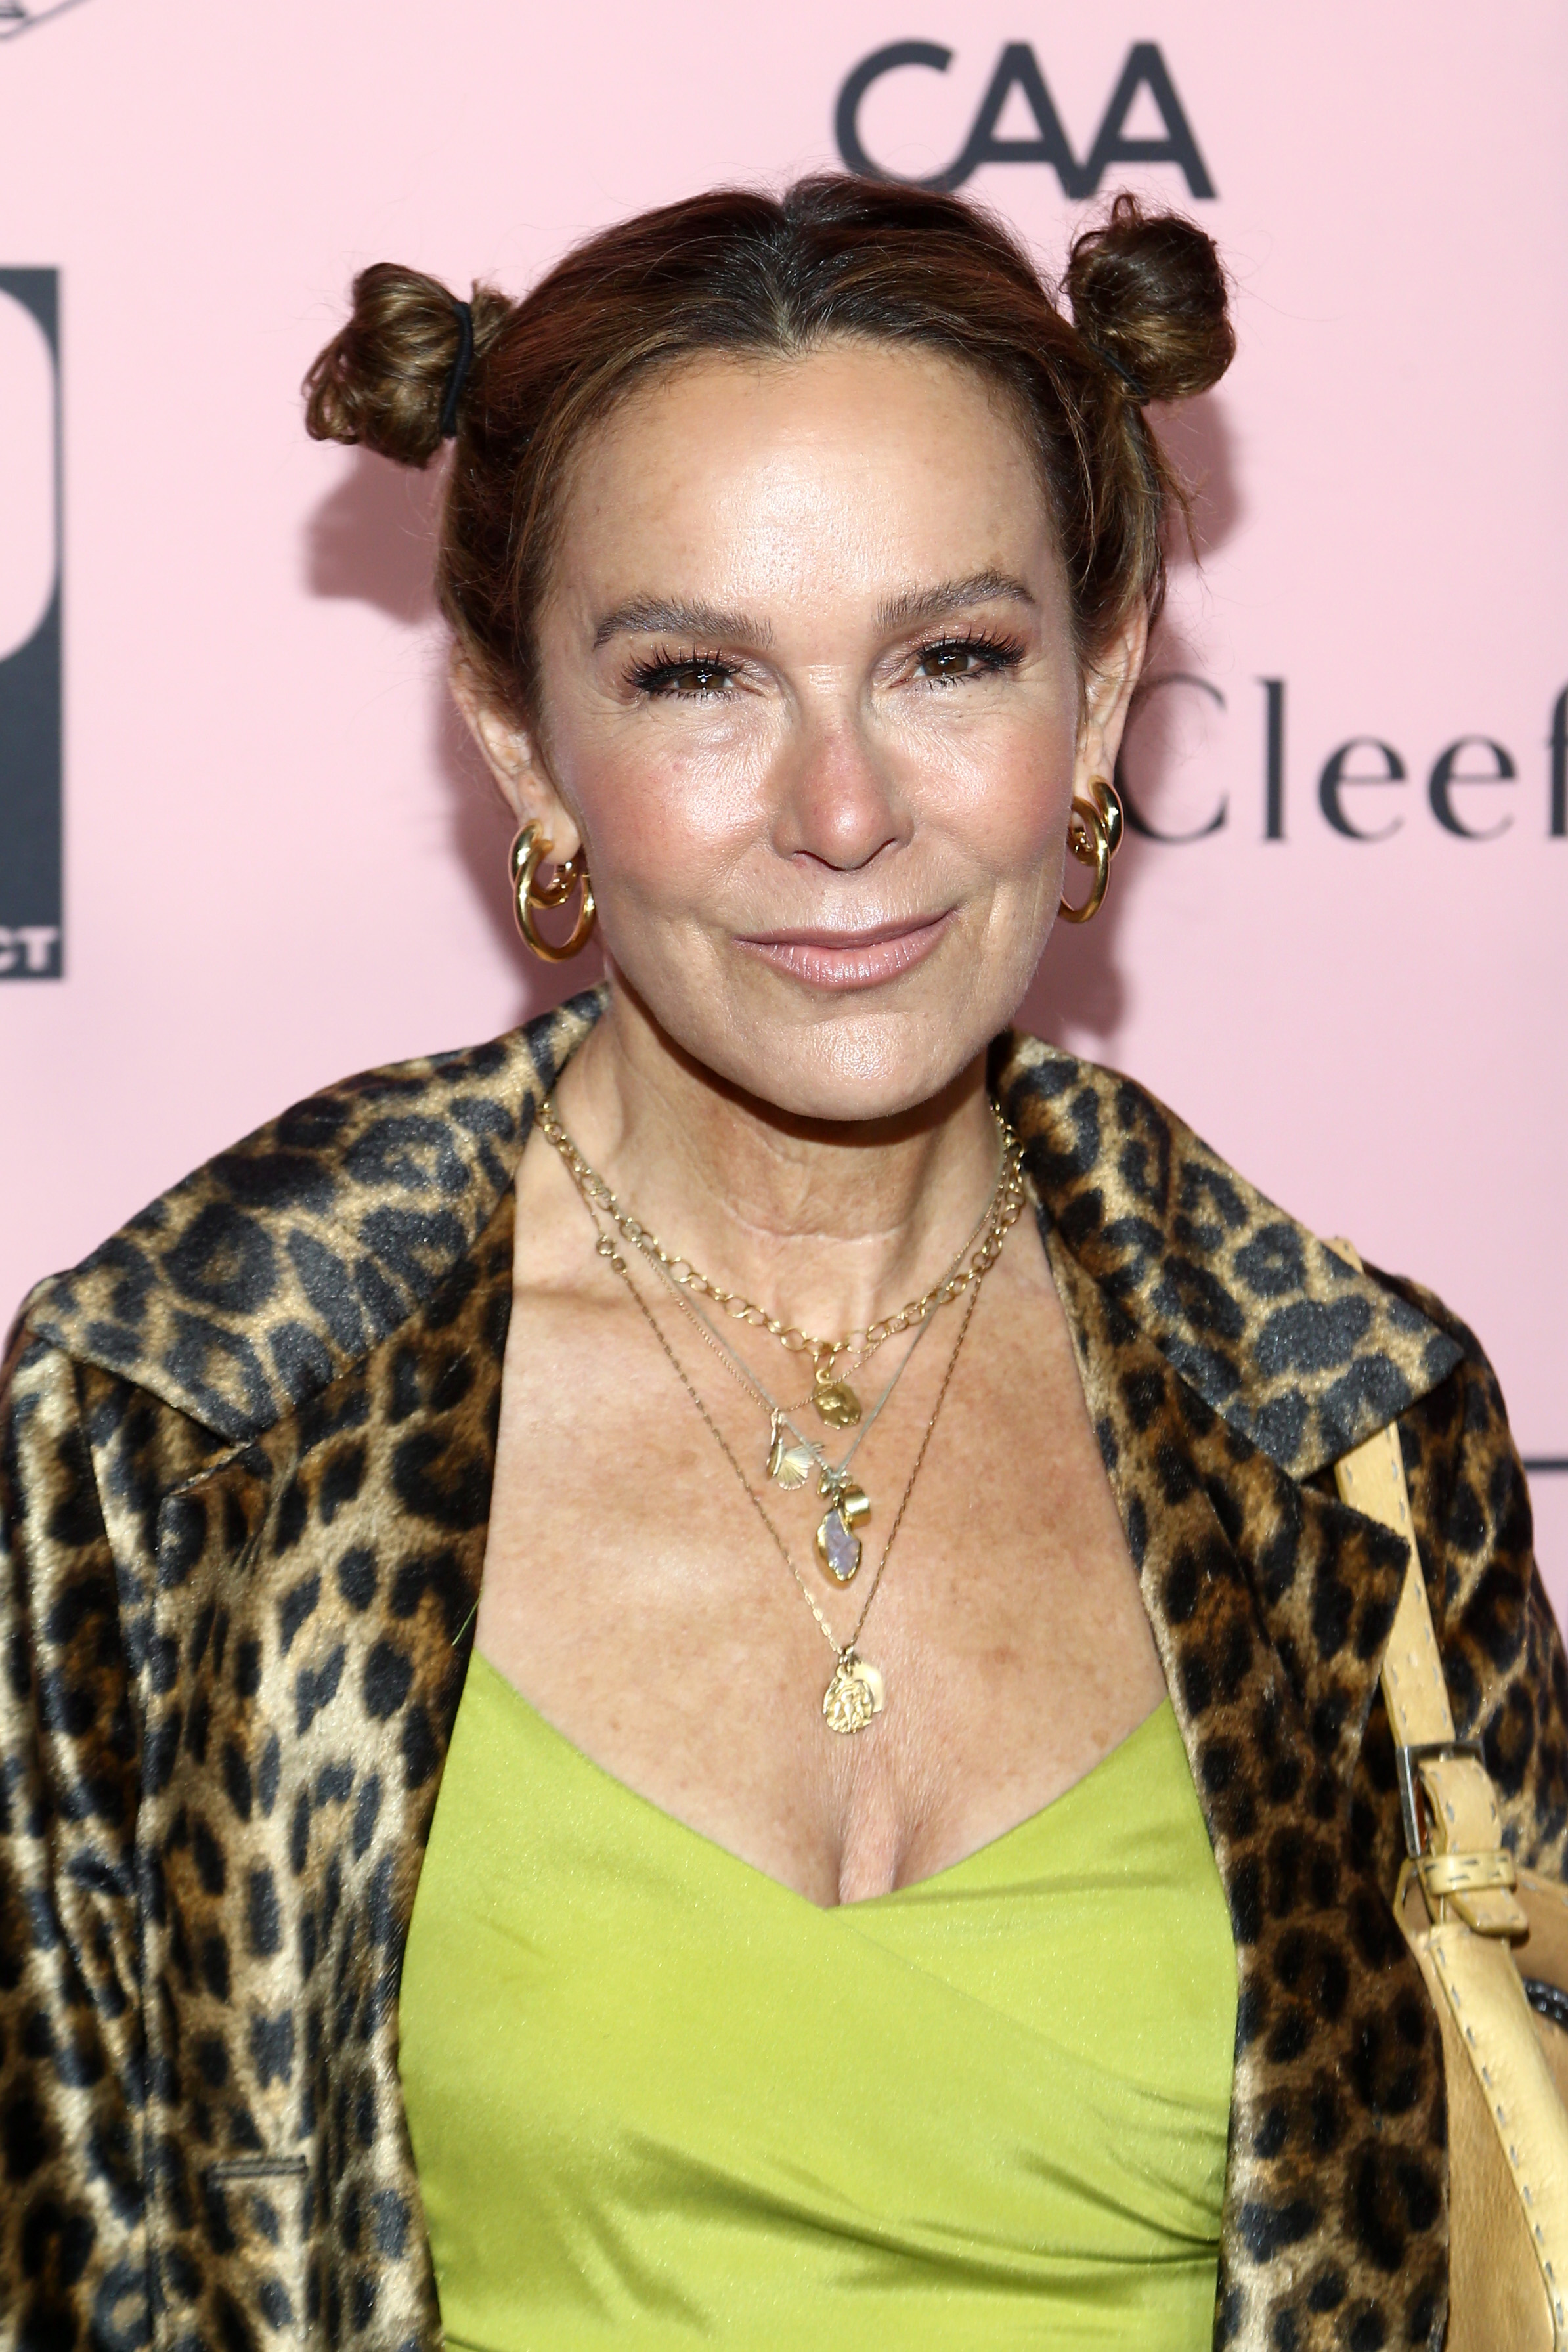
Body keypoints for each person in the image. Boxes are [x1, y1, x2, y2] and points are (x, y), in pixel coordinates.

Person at [1, 175, 1561, 2352]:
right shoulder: (184, 1427)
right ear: (522, 737)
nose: (840, 812)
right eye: (696, 678)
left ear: (1102, 684)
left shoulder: (1348, 1433)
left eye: (952, 659)